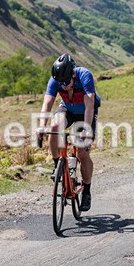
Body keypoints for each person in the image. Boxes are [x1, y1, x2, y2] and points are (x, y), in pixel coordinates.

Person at [36, 54, 101, 212]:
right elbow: (47, 103)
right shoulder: (56, 80)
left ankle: (86, 190)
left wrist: (86, 128)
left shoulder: (84, 76)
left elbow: (89, 105)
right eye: (60, 83)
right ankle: (57, 164)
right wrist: (41, 126)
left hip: (85, 112)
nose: (63, 86)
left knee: (82, 153)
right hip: (67, 109)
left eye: (66, 82)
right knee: (54, 127)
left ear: (73, 74)